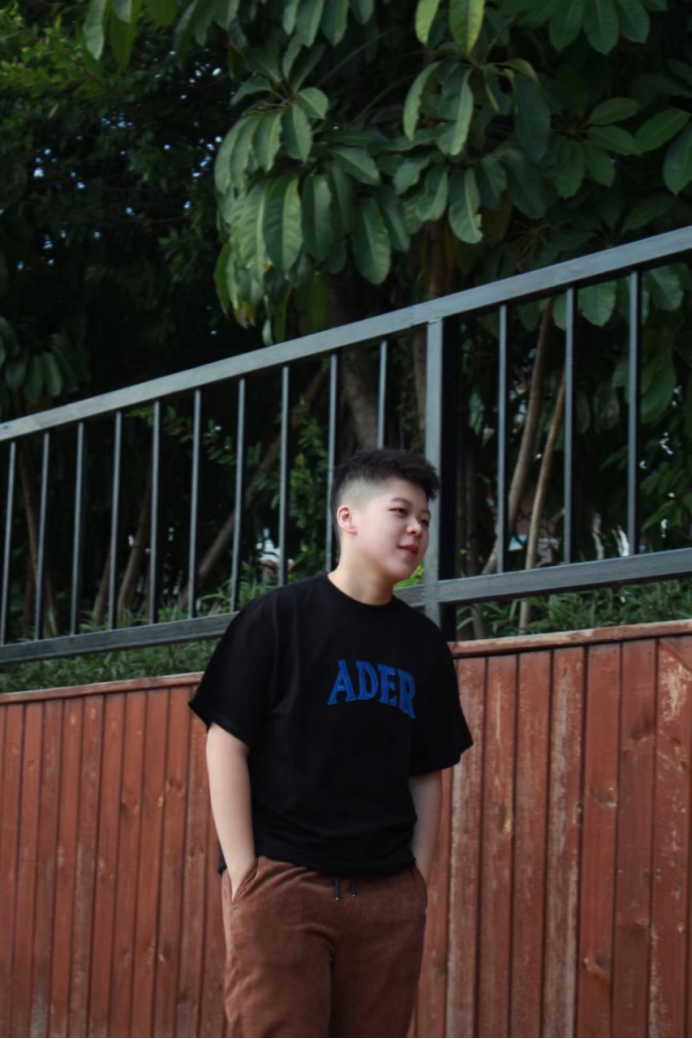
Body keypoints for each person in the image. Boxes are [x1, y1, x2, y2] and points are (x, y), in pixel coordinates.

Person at [188, 446, 473, 1039]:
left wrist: (416, 886)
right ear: (349, 517)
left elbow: (426, 772)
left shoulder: (423, 646)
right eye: (400, 512)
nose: (416, 529)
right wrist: (246, 875)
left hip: (388, 895)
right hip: (285, 883)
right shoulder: (277, 619)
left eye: (424, 518)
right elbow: (225, 742)